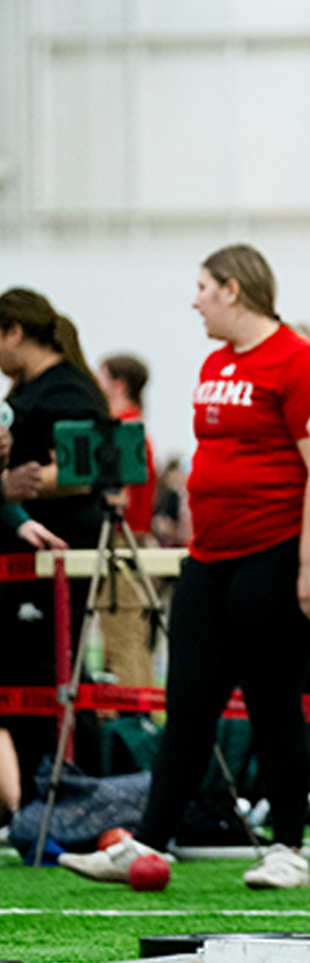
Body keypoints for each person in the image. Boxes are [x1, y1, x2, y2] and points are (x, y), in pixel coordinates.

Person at [60, 244, 310, 889]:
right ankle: (147, 842)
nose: (194, 301)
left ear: (234, 290)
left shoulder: (300, 363)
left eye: (203, 287)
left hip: (276, 554)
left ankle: (287, 849)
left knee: (274, 702)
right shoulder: (216, 361)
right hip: (209, 559)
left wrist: (309, 566)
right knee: (187, 704)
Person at [0, 288, 110, 801]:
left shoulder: (66, 392)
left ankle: (79, 793)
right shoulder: (26, 391)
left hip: (57, 549)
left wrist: (23, 484)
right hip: (24, 551)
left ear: (15, 333)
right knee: (23, 671)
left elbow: (82, 471)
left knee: (56, 671)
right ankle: (26, 795)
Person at [93, 353, 161, 691]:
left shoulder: (123, 427)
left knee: (123, 637)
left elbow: (122, 496)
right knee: (130, 636)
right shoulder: (137, 426)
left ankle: (132, 725)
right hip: (134, 541)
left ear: (117, 384)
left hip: (122, 541)